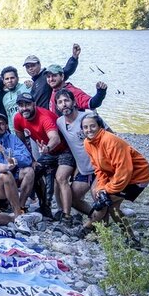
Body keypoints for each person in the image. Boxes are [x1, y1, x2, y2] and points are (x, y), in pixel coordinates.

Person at [81, 113, 149, 243]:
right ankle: (131, 238)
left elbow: (125, 170)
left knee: (103, 202)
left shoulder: (110, 141)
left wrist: (107, 190)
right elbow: (98, 168)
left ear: (100, 126)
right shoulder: (87, 143)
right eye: (85, 127)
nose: (89, 130)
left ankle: (86, 229)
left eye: (92, 126)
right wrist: (101, 187)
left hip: (137, 176)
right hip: (119, 175)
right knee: (113, 207)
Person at [13, 92, 70, 218]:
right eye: (21, 105)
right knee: (34, 171)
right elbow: (22, 143)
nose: (24, 108)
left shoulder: (44, 117)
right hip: (48, 152)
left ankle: (66, 215)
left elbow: (55, 138)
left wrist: (47, 147)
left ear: (34, 104)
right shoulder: (18, 118)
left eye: (27, 104)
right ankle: (42, 206)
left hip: (64, 149)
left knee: (59, 178)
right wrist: (32, 159)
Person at [54, 90, 98, 227]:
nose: (64, 104)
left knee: (99, 198)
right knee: (73, 199)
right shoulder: (60, 122)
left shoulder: (88, 118)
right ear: (57, 106)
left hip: (100, 169)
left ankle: (99, 226)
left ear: (74, 102)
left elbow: (110, 136)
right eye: (60, 102)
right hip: (84, 170)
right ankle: (95, 217)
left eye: (66, 100)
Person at [24, 44, 79, 109]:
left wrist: (74, 58)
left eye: (33, 65)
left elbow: (66, 71)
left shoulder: (47, 76)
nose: (30, 69)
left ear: (39, 64)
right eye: (28, 67)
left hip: (48, 115)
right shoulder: (35, 82)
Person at [1, 66, 31, 132]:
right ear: (3, 81)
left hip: (31, 129)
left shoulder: (27, 88)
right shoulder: (5, 98)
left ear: (17, 78)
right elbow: (9, 117)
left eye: (12, 78)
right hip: (16, 133)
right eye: (7, 79)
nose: (10, 81)